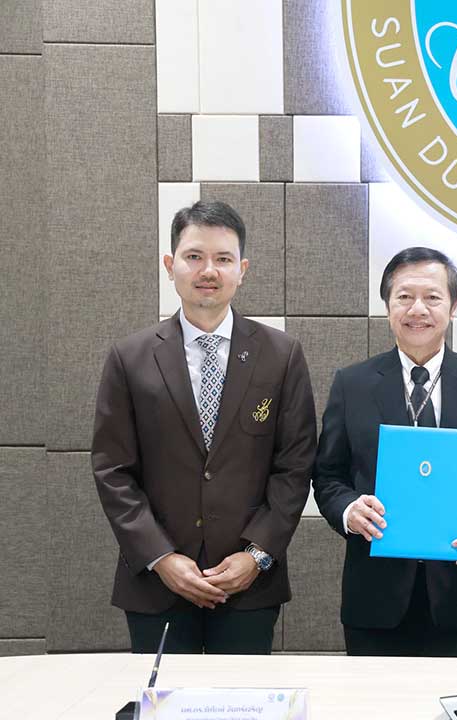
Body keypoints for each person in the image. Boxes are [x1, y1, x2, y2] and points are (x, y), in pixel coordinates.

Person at [92, 201, 317, 654]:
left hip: (248, 586)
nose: (208, 270)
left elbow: (295, 467)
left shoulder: (282, 355)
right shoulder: (129, 357)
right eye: (194, 256)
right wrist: (160, 557)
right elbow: (112, 470)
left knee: (241, 695)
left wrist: (256, 556)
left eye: (223, 259)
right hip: (157, 584)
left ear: (242, 270)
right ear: (169, 265)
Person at [312, 246, 457, 657]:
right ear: (387, 306)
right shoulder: (352, 384)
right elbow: (328, 476)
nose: (418, 309)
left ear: (453, 306)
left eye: (432, 297)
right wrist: (349, 510)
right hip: (374, 598)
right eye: (404, 297)